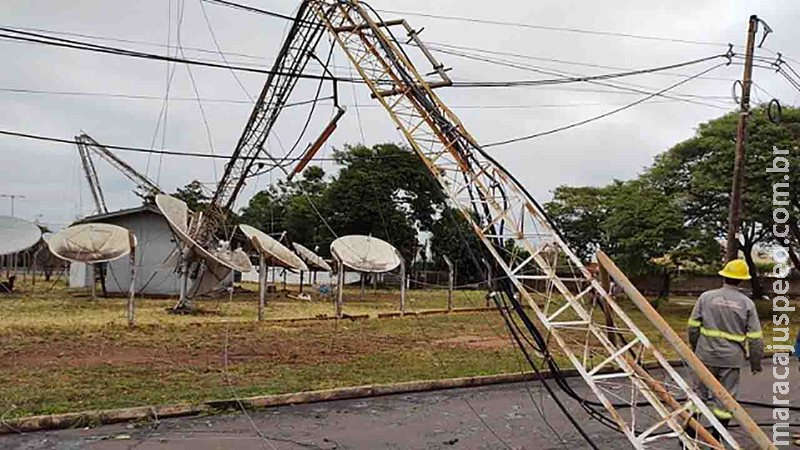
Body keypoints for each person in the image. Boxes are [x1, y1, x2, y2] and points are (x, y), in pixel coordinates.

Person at [686, 259, 763, 440]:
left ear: (724, 276)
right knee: (725, 399)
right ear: (742, 280)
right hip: (731, 359)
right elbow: (755, 339)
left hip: (705, 354)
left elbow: (692, 326)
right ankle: (717, 437)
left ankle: (689, 435)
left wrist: (696, 348)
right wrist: (755, 364)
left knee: (698, 396)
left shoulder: (706, 297)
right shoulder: (747, 304)